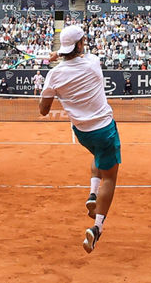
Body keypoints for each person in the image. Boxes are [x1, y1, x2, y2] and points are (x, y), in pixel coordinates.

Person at [37, 25, 118, 254]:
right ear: (80, 44)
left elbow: (44, 110)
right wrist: (60, 56)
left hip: (82, 133)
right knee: (110, 177)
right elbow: (78, 55)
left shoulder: (54, 75)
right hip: (104, 128)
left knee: (98, 155)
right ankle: (97, 227)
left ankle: (92, 194)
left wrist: (50, 79)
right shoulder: (93, 62)